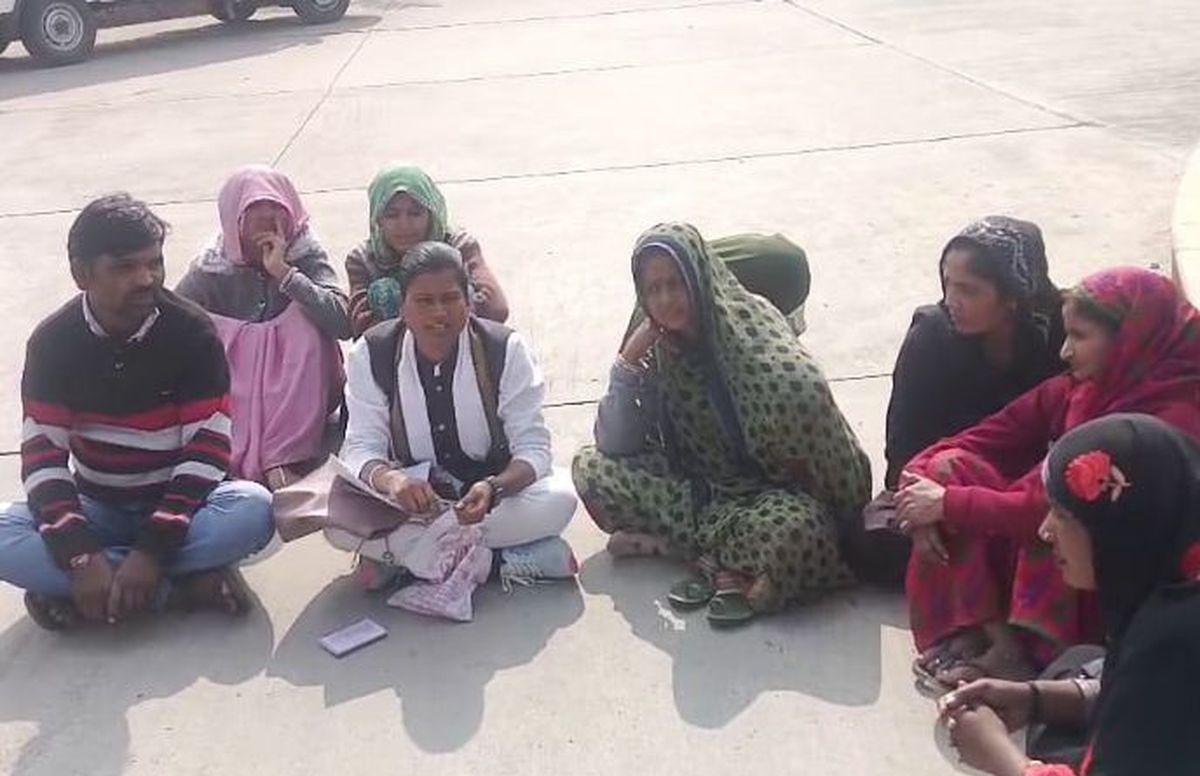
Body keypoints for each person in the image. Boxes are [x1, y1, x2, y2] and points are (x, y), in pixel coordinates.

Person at [898, 267, 1200, 686]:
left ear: (1129, 339)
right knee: (948, 466)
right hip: (1050, 541)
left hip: (1118, 581)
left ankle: (1032, 653)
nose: (1064, 351)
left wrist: (945, 505)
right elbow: (982, 437)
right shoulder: (1083, 389)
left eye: (1079, 336)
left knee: (1063, 515)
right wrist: (918, 495)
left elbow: (1042, 506)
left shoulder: (1171, 418)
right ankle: (993, 637)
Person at [572, 222, 871, 626]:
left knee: (797, 535)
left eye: (675, 284)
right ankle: (723, 563)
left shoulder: (754, 331)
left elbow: (816, 423)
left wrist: (844, 517)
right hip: (697, 491)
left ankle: (685, 551)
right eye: (653, 290)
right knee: (591, 469)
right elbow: (615, 444)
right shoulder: (656, 345)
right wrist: (627, 365)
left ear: (699, 277)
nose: (665, 301)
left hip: (767, 497)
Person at [0, 194, 276, 630]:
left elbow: (207, 452)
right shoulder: (52, 342)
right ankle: (183, 588)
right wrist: (80, 554)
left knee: (255, 510)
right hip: (98, 507)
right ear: (81, 274)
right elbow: (42, 457)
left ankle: (93, 590)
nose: (146, 279)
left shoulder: (192, 332)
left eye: (154, 263)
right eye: (125, 268)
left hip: (184, 509)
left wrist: (151, 552)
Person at [937, 414, 1200, 776]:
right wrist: (1035, 698)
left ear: (1119, 529)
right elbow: (1159, 706)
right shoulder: (1179, 577)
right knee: (1076, 666)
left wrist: (997, 753)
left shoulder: (1171, 639)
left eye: (1062, 515)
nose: (1045, 531)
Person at [331, 241, 577, 588]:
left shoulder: (505, 349)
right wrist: (395, 482)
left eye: (449, 299)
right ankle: (499, 561)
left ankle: (405, 561)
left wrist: (493, 488)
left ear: (468, 302)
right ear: (403, 307)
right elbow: (360, 447)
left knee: (561, 499)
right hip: (411, 504)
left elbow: (534, 448)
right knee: (335, 524)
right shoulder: (371, 353)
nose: (438, 313)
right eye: (424, 301)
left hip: (488, 500)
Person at [859, 216, 1064, 587]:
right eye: (947, 283)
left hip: (1030, 489)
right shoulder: (931, 338)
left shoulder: (1060, 333)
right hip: (945, 479)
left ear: (1012, 297)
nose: (952, 301)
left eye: (968, 290)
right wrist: (920, 514)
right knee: (875, 542)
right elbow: (904, 446)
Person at [176, 166, 349, 490]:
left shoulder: (304, 253)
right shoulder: (213, 265)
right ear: (234, 220)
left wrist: (285, 274)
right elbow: (169, 317)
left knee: (305, 322)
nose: (269, 220)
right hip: (239, 383)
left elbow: (342, 321)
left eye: (276, 208)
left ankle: (283, 457)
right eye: (255, 210)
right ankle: (232, 449)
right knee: (204, 327)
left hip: (294, 383)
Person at [346, 164, 509, 337]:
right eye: (392, 215)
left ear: (431, 214)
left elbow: (496, 309)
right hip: (394, 351)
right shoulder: (363, 260)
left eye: (415, 213)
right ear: (378, 219)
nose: (404, 225)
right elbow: (361, 326)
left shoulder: (458, 246)